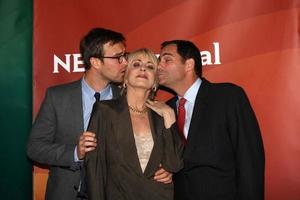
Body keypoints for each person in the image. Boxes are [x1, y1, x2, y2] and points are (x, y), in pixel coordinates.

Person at [158, 40, 265, 200]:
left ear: (189, 65)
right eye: (159, 61)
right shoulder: (166, 110)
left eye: (167, 60)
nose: (159, 66)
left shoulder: (227, 96)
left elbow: (249, 158)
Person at [85, 48, 184, 200]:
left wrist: (169, 116)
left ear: (155, 82)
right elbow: (94, 166)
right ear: (125, 77)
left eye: (150, 67)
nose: (143, 68)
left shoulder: (162, 115)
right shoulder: (105, 110)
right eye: (136, 64)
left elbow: (174, 164)